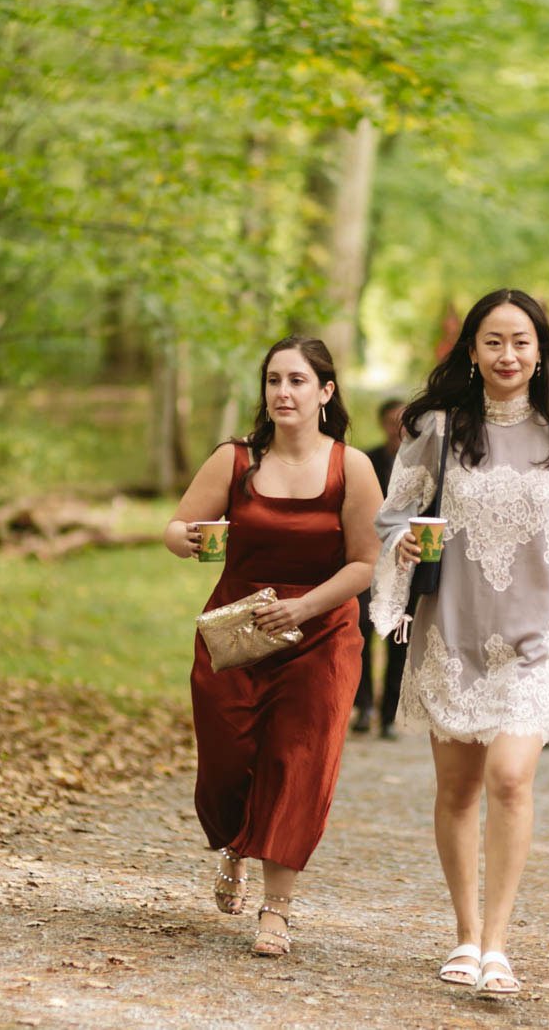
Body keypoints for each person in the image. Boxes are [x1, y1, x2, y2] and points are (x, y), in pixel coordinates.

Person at [370, 288, 549, 995]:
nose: (508, 354)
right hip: (452, 634)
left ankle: (500, 943)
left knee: (510, 776)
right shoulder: (440, 428)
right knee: (457, 788)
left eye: (520, 341)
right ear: (472, 352)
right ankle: (465, 934)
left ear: (540, 350)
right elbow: (392, 518)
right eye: (493, 342)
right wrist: (404, 552)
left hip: (539, 641)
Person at [163, 335, 380, 957]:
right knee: (229, 760)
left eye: (297, 381)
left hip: (322, 634)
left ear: (325, 392)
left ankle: (276, 911)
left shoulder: (352, 467)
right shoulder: (235, 460)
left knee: (297, 759)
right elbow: (178, 527)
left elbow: (366, 563)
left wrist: (306, 607)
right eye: (273, 381)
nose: (283, 393)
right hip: (236, 634)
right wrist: (192, 541)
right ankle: (235, 842)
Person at [353, 398, 408, 739]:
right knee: (360, 632)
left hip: (406, 567)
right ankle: (364, 707)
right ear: (382, 423)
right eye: (391, 421)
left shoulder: (424, 462)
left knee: (399, 640)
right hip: (368, 561)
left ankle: (389, 715)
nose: (397, 428)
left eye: (403, 421)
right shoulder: (367, 461)